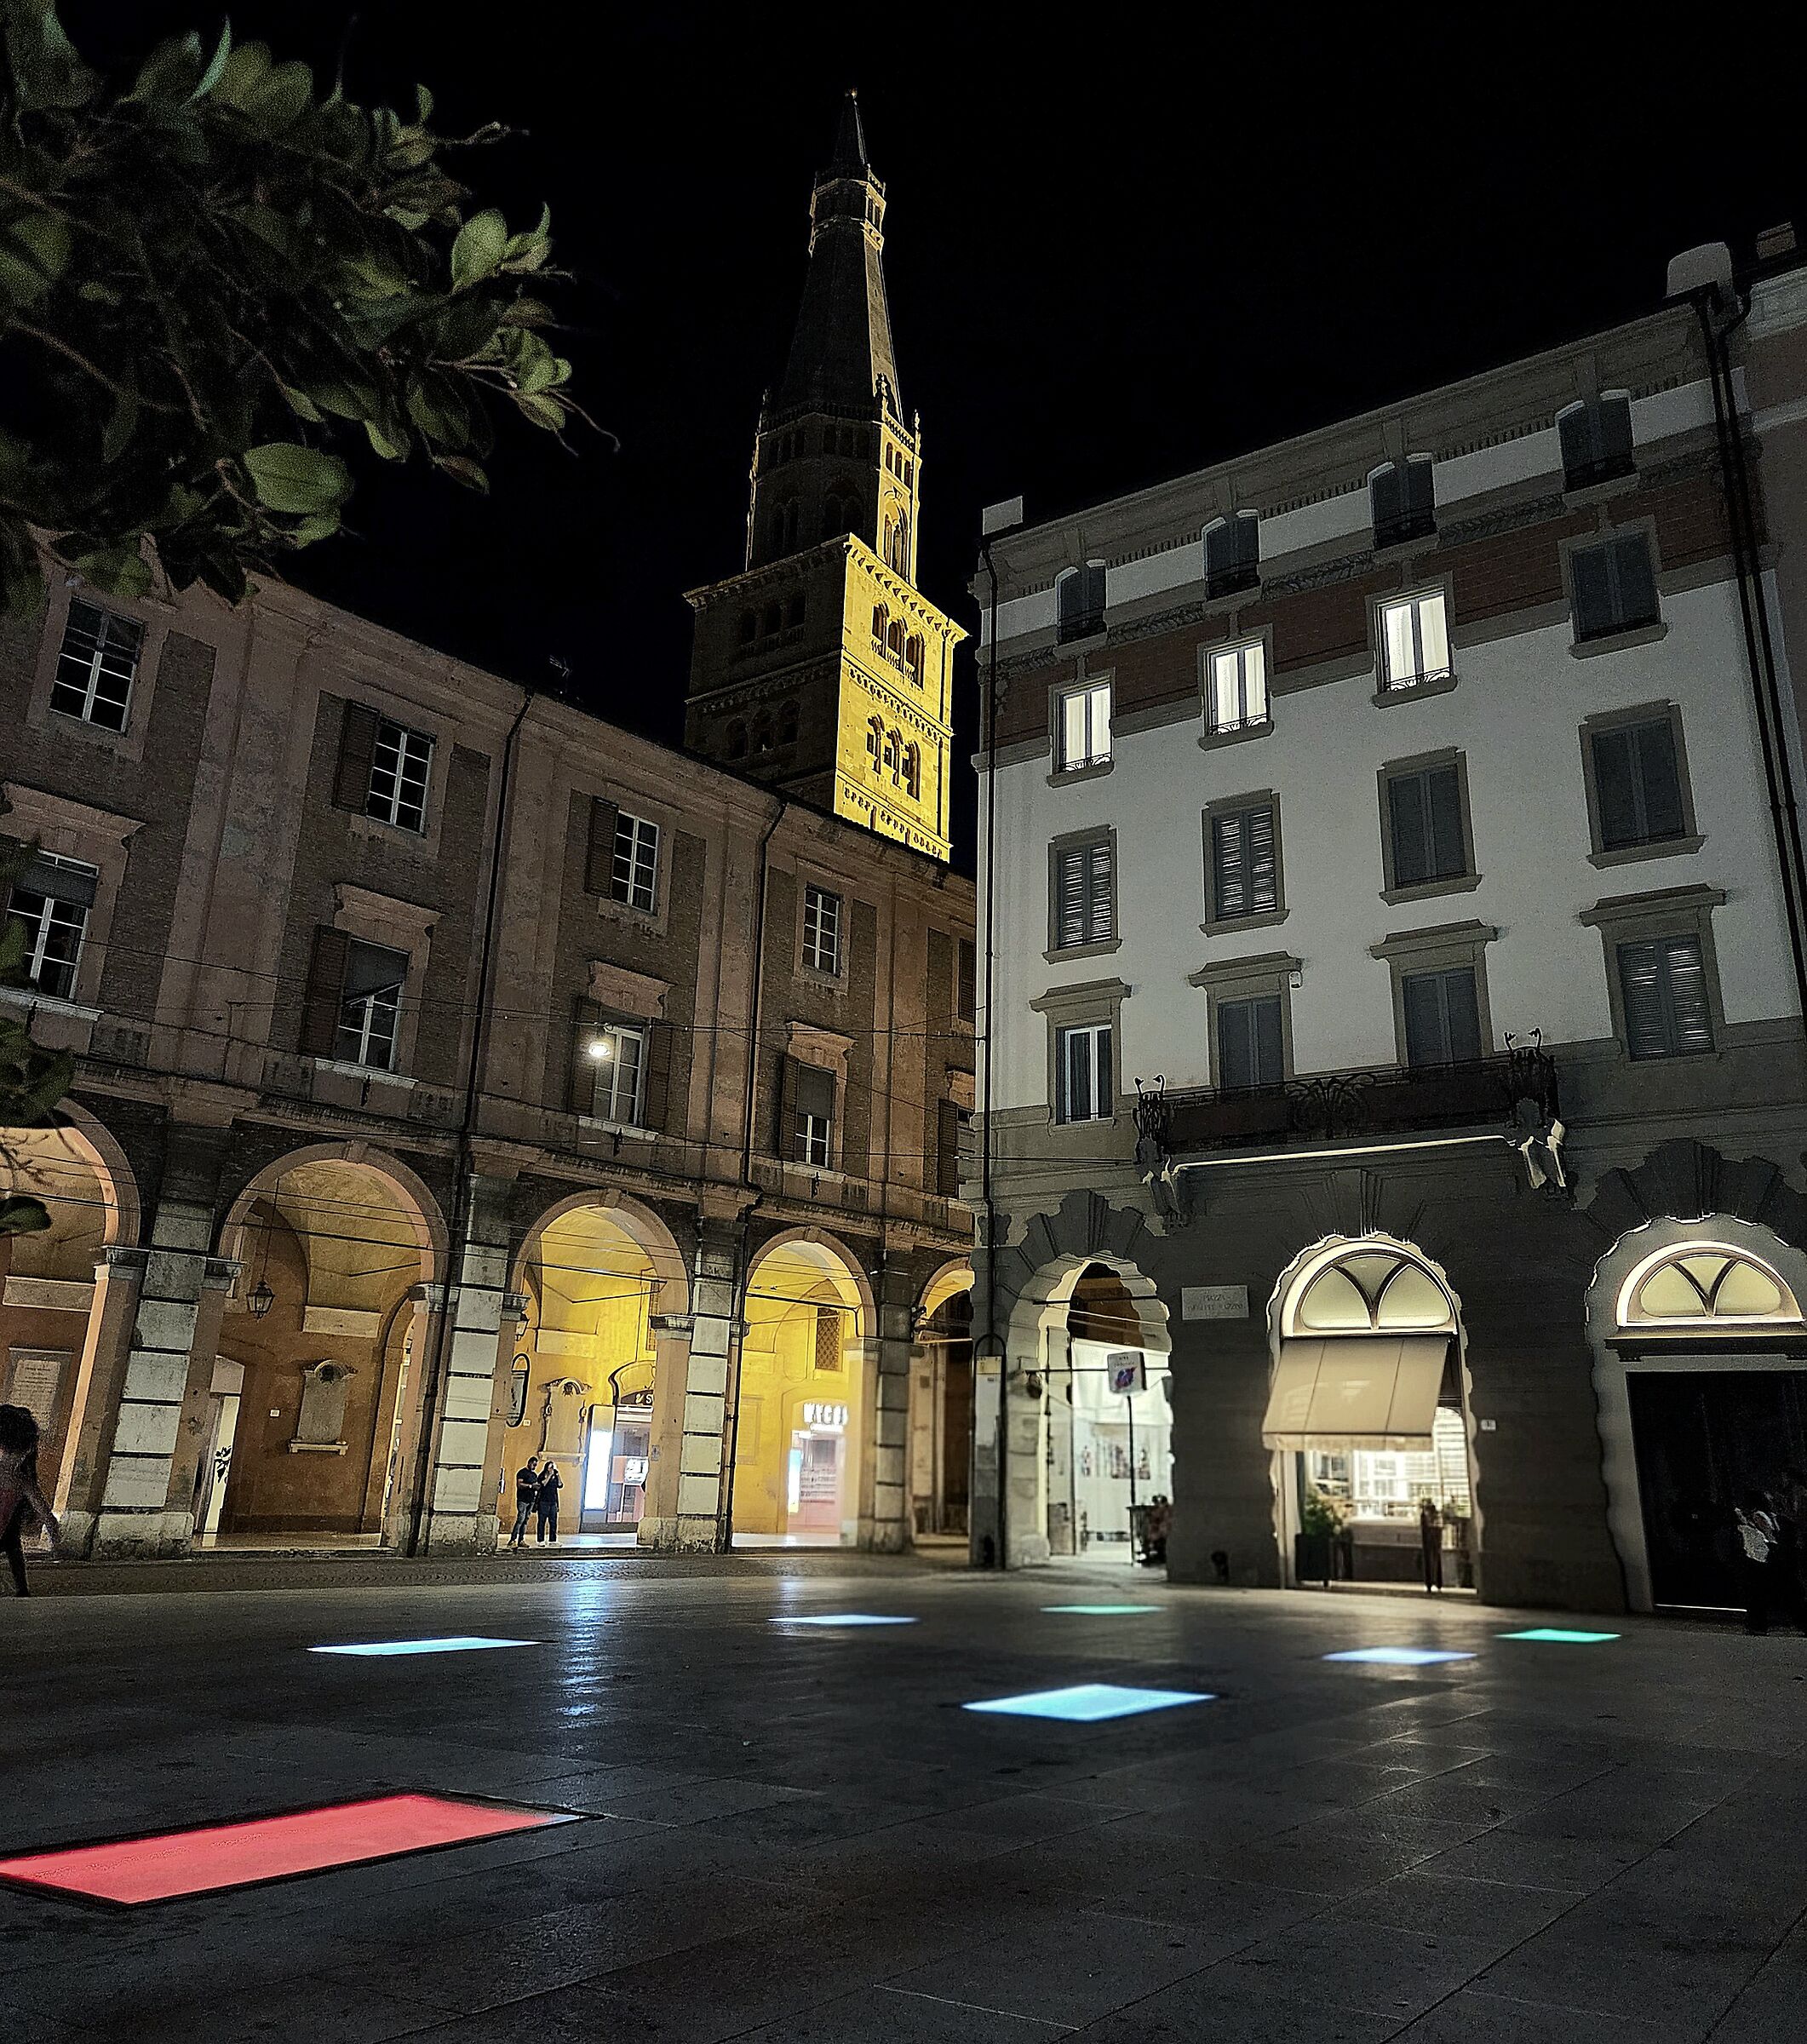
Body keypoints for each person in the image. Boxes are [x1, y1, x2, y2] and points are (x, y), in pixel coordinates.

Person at [1, 1404, 61, 1597]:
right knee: (14, 1546)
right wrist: (56, 1538)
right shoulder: (23, 1481)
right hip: (3, 1535)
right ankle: (22, 1590)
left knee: (13, 1545)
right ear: (27, 1450)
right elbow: (48, 1517)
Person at [1735, 1492, 1781, 1634]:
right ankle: (1756, 1624)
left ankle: (1757, 1625)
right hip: (1756, 1555)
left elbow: (1769, 1535)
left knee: (1756, 1592)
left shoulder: (1758, 1516)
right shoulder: (1762, 1515)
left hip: (1758, 1557)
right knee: (1756, 1592)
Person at [508, 1456, 540, 1548]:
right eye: (533, 1464)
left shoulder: (534, 1475)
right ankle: (512, 1539)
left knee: (526, 1520)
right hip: (522, 1500)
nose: (534, 1467)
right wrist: (531, 1486)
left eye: (536, 1465)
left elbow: (535, 1486)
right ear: (529, 1463)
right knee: (520, 1519)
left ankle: (521, 1540)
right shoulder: (522, 1472)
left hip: (531, 1500)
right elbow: (519, 1485)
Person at [1419, 1496, 1444, 1594]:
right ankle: (1437, 1583)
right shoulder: (1437, 1515)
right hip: (1436, 1538)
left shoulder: (1425, 1515)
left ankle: (1430, 1584)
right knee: (1436, 1560)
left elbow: (1424, 1527)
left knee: (1428, 1561)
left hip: (1428, 1539)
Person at [534, 1460, 563, 1544]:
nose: (552, 1469)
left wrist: (558, 1475)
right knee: (542, 1521)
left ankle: (553, 1540)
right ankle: (540, 1540)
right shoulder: (542, 1475)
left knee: (553, 1521)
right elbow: (543, 1484)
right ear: (547, 1468)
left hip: (553, 1502)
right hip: (543, 1501)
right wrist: (549, 1475)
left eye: (553, 1467)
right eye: (551, 1467)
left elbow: (560, 1485)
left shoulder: (555, 1476)